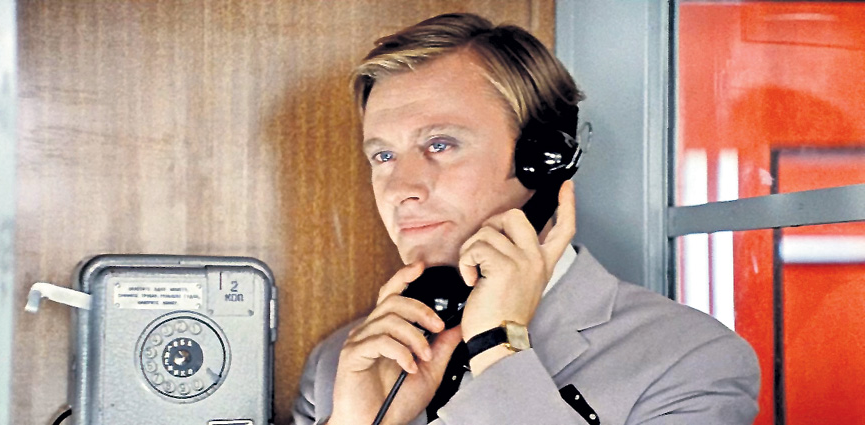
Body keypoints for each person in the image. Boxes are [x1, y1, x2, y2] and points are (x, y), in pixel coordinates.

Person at [292, 12, 759, 425]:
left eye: (440, 145)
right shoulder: (340, 364)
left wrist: (499, 348)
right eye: (383, 156)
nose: (399, 189)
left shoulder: (691, 361)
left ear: (543, 161)